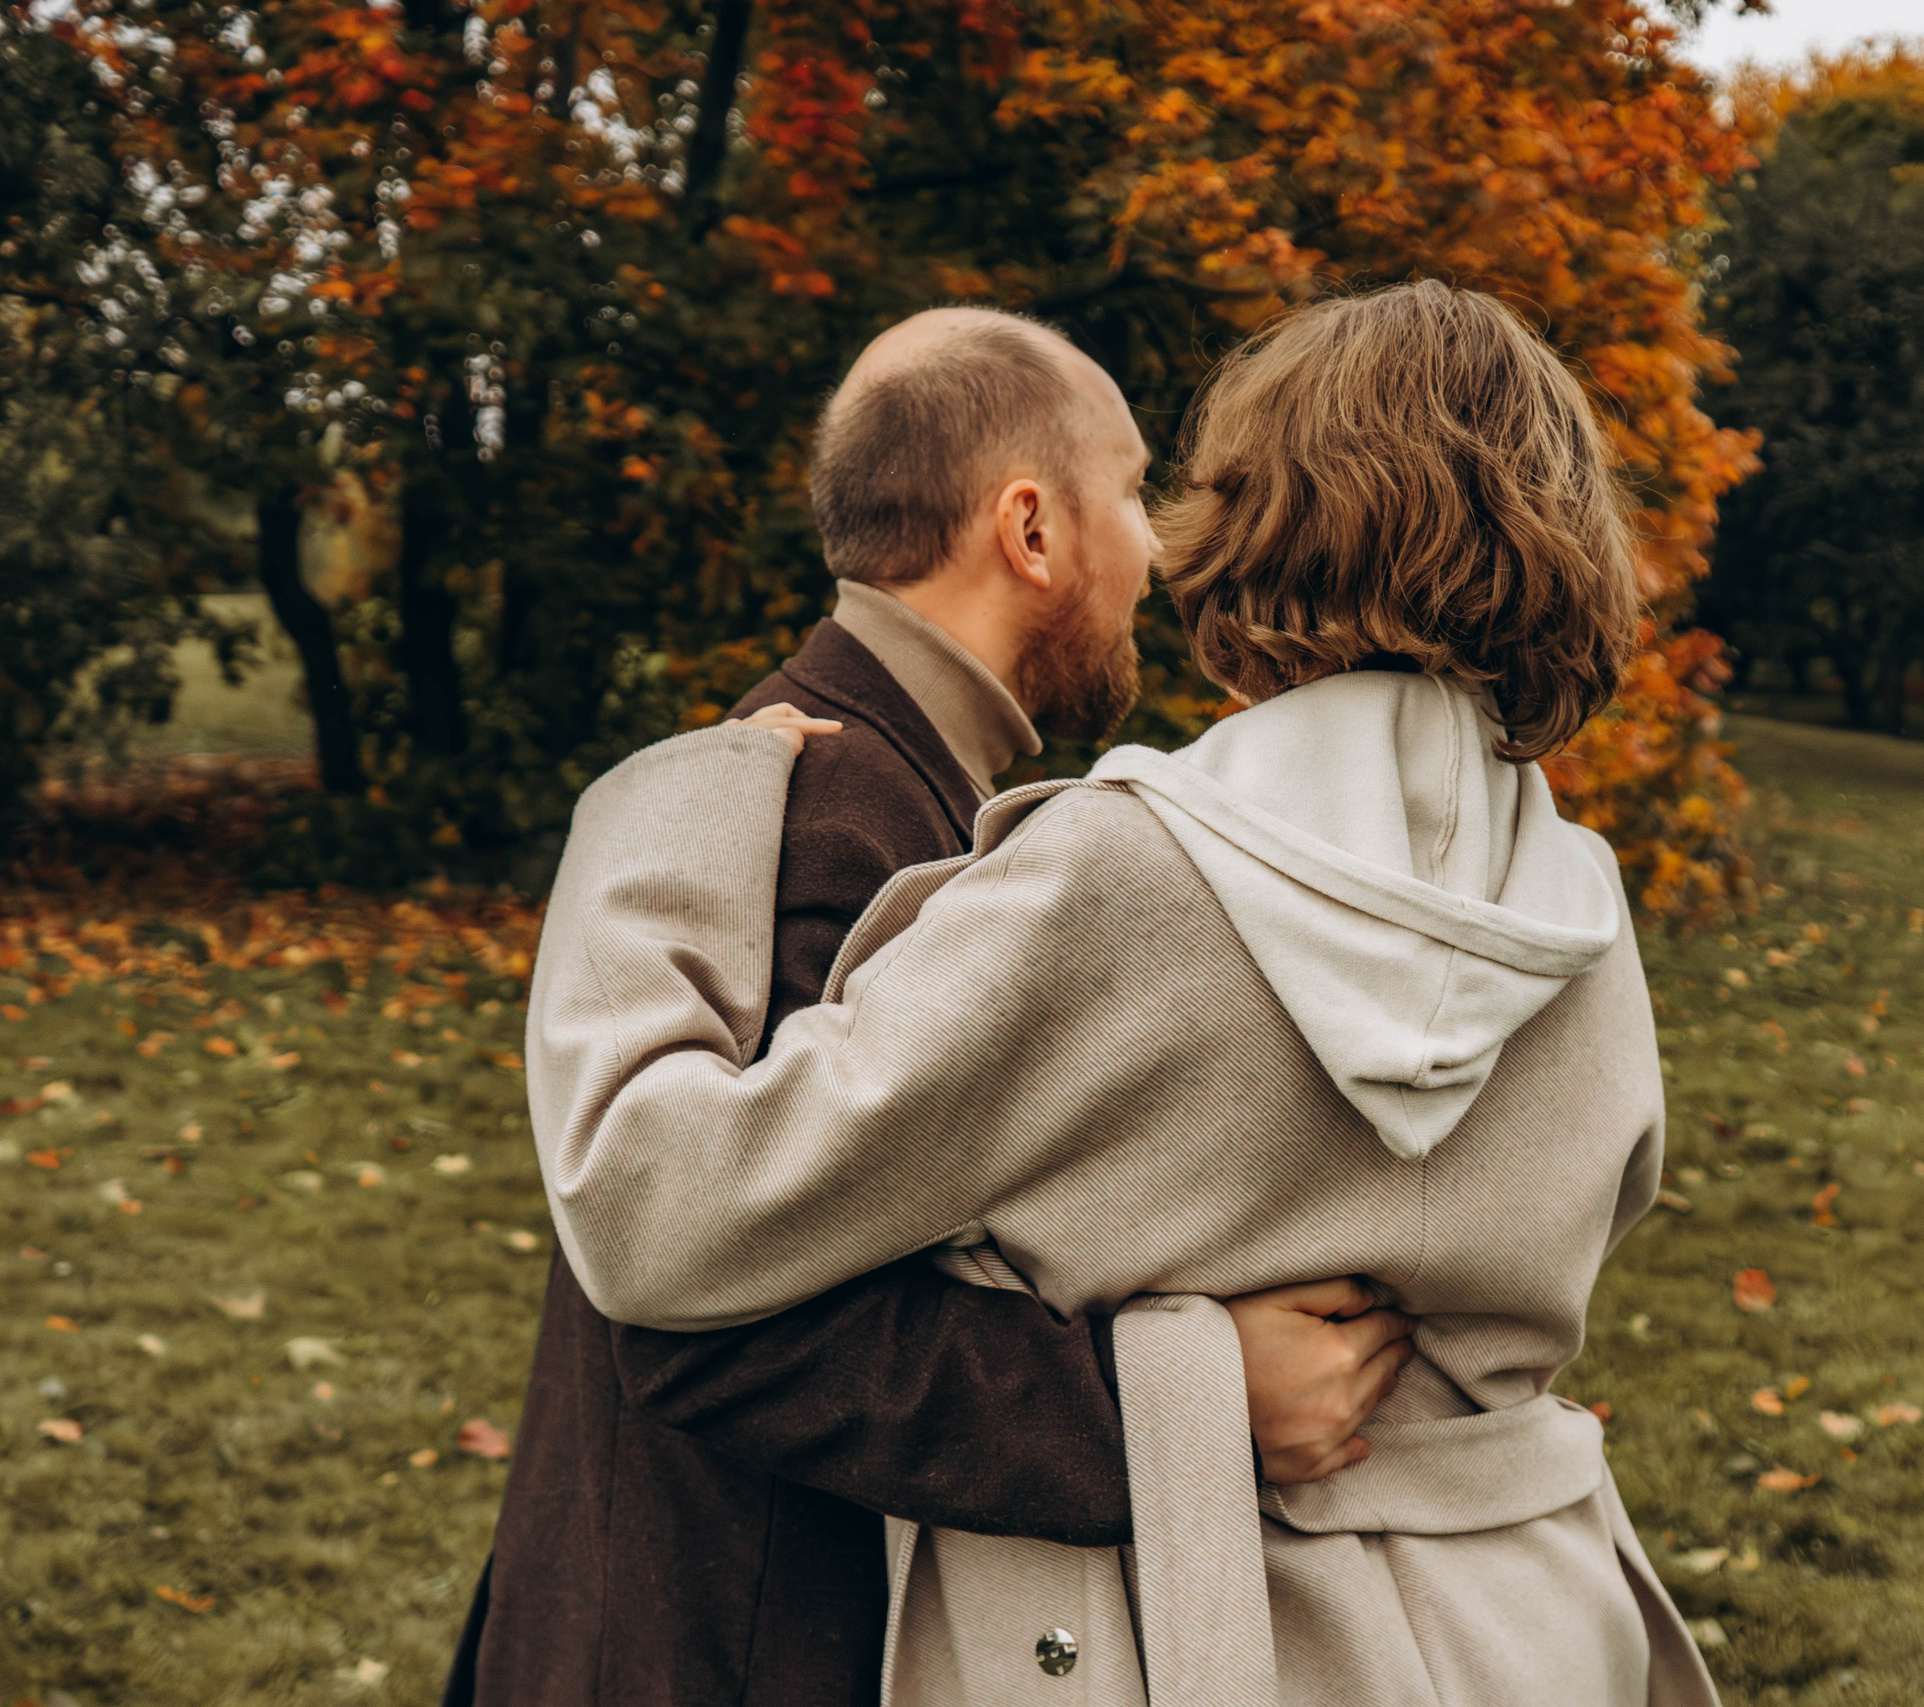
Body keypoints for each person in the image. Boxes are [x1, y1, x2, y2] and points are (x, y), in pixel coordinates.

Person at [527, 282, 1721, 1705]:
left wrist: (647, 815)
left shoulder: (1117, 874)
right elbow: (1614, 1194)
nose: (1153, 543)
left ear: (1260, 513)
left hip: (1208, 1638)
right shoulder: (1584, 912)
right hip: (1535, 1622)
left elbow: (667, 1213)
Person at [447, 308, 1414, 1707]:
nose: (1156, 550)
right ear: (1030, 529)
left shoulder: (850, 770)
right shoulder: (847, 823)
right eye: (1132, 492)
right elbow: (700, 1327)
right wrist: (1190, 1415)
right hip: (733, 1655)